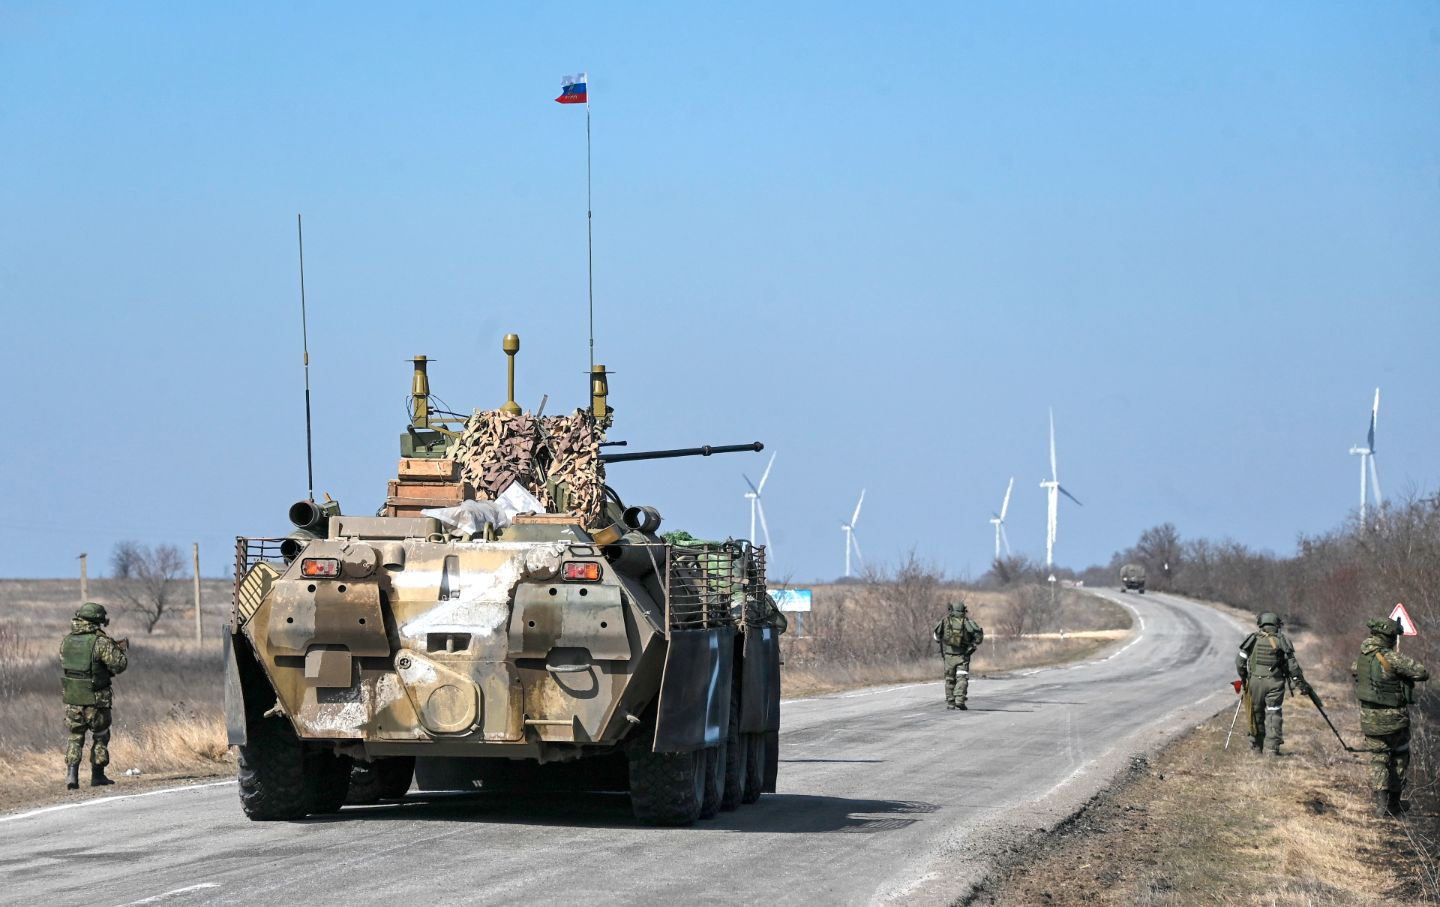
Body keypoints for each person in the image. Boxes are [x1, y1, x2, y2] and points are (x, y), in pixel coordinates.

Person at [1352, 617, 1429, 817]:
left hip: (1369, 718)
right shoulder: (1391, 658)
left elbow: (1355, 672)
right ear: (1390, 637)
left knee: (1379, 758)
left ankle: (1380, 805)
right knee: (1400, 756)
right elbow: (1421, 672)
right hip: (1394, 719)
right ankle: (1394, 804)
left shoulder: (1361, 657)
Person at [60, 602, 128, 789]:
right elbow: (119, 665)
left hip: (73, 698)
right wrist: (119, 650)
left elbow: (66, 664)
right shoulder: (100, 642)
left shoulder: (67, 641)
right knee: (100, 735)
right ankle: (97, 776)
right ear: (97, 620)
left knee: (75, 735)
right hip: (96, 699)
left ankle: (71, 775)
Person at [1235, 611, 1311, 756]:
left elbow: (1239, 662)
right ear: (1277, 625)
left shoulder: (1252, 639)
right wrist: (1301, 685)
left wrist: (1244, 677)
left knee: (1255, 713)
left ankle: (1256, 747)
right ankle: (1272, 750)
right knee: (1273, 713)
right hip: (1275, 683)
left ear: (1261, 624)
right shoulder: (1282, 640)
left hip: (1255, 682)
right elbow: (1293, 667)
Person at [933, 601, 984, 710]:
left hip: (948, 656)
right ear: (964, 610)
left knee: (949, 679)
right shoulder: (968, 622)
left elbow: (936, 637)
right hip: (963, 656)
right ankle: (960, 700)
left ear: (951, 609)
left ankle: (951, 703)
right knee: (962, 678)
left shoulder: (944, 621)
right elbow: (978, 639)